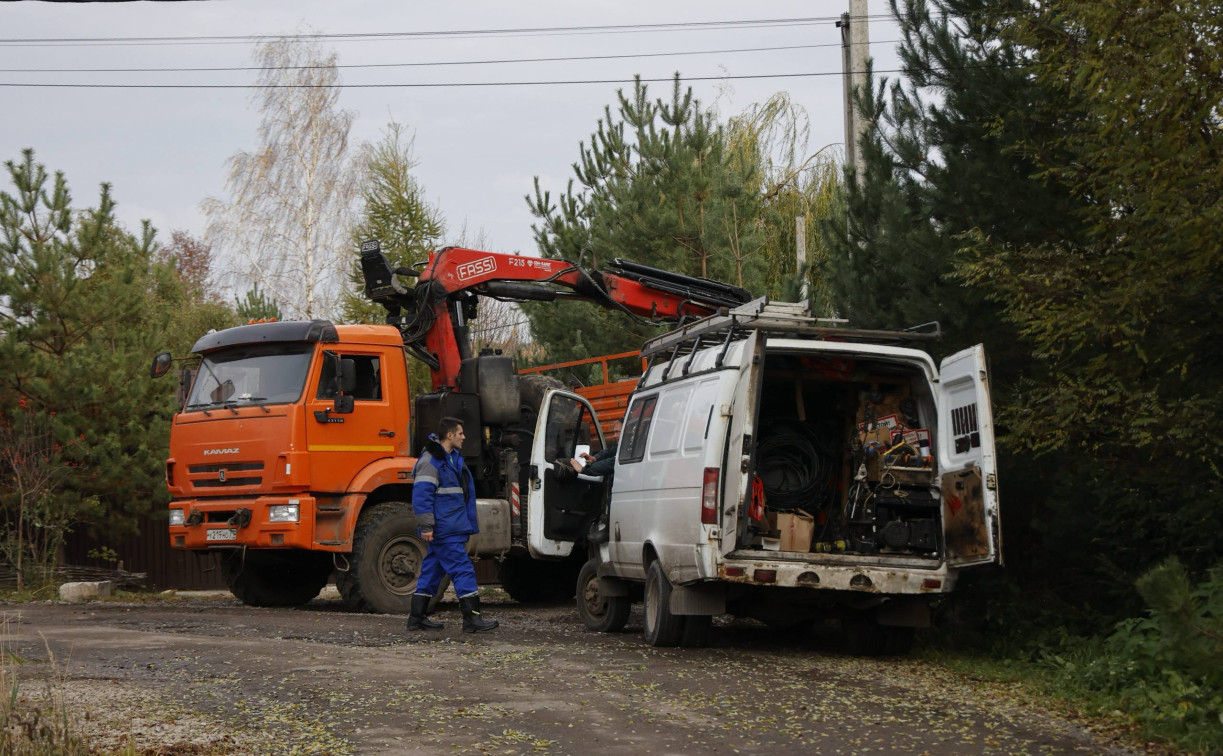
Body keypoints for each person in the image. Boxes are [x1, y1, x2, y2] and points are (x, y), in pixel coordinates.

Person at [406, 416, 498, 634]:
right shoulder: (432, 461)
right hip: (445, 528)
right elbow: (421, 496)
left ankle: (416, 618)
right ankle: (472, 619)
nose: (464, 437)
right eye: (460, 433)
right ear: (449, 435)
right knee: (463, 569)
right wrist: (427, 526)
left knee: (432, 572)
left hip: (450, 525)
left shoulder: (451, 458)